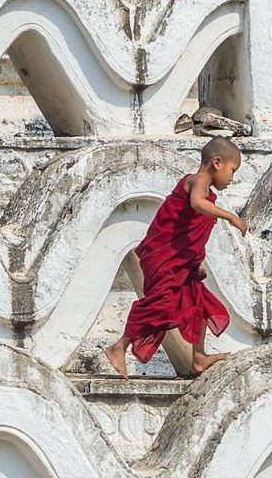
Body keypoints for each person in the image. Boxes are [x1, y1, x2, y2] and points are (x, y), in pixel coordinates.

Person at [104, 136, 247, 378]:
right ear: (217, 163)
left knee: (199, 304)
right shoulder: (197, 181)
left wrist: (197, 260)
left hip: (181, 262)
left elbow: (192, 231)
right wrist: (231, 217)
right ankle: (119, 346)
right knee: (160, 304)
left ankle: (199, 358)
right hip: (164, 257)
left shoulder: (206, 190)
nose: (232, 179)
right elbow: (197, 204)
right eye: (232, 171)